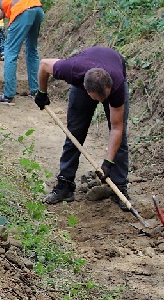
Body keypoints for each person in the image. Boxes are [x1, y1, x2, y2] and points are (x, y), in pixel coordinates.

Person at [34, 46, 131, 209]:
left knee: (121, 140)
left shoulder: (117, 86)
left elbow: (116, 128)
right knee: (74, 133)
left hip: (113, 71)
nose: (101, 103)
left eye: (104, 98)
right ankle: (65, 185)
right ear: (86, 90)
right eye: (97, 99)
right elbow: (44, 65)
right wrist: (42, 93)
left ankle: (119, 187)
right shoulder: (71, 70)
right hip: (85, 76)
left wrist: (107, 163)